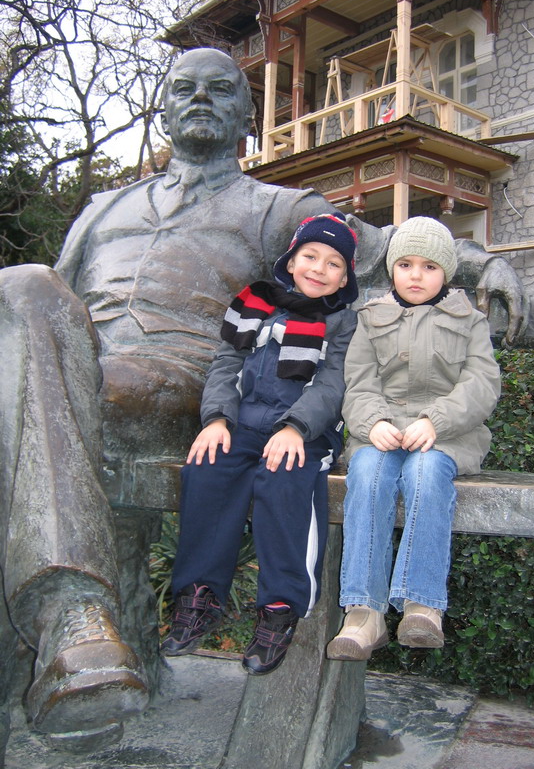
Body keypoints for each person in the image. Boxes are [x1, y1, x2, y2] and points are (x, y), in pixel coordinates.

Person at [0, 47, 386, 751]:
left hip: (185, 381)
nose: (200, 98)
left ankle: (72, 609)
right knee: (23, 291)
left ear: (246, 116)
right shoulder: (103, 207)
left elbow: (383, 250)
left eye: (219, 89)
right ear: (164, 109)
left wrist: (474, 264)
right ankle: (76, 655)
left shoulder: (278, 208)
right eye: (184, 88)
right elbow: (34, 323)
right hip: (81, 372)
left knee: (22, 286)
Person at [161, 213, 359, 675]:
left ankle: (279, 608)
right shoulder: (256, 307)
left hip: (307, 432)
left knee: (284, 478)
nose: (319, 268)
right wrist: (216, 419)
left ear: (344, 278)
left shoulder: (343, 323)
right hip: (244, 424)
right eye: (310, 256)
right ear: (290, 261)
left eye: (333, 263)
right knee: (207, 468)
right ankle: (199, 595)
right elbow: (225, 365)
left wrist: (296, 428)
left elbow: (333, 384)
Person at [327, 217, 501, 660]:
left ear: (446, 272)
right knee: (367, 473)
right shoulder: (370, 320)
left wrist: (436, 421)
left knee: (426, 472)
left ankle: (422, 604)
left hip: (446, 437)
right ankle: (363, 613)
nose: (416, 275)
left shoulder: (470, 321)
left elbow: (481, 384)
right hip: (381, 434)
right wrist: (373, 423)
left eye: (429, 266)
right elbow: (358, 384)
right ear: (392, 270)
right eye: (405, 265)